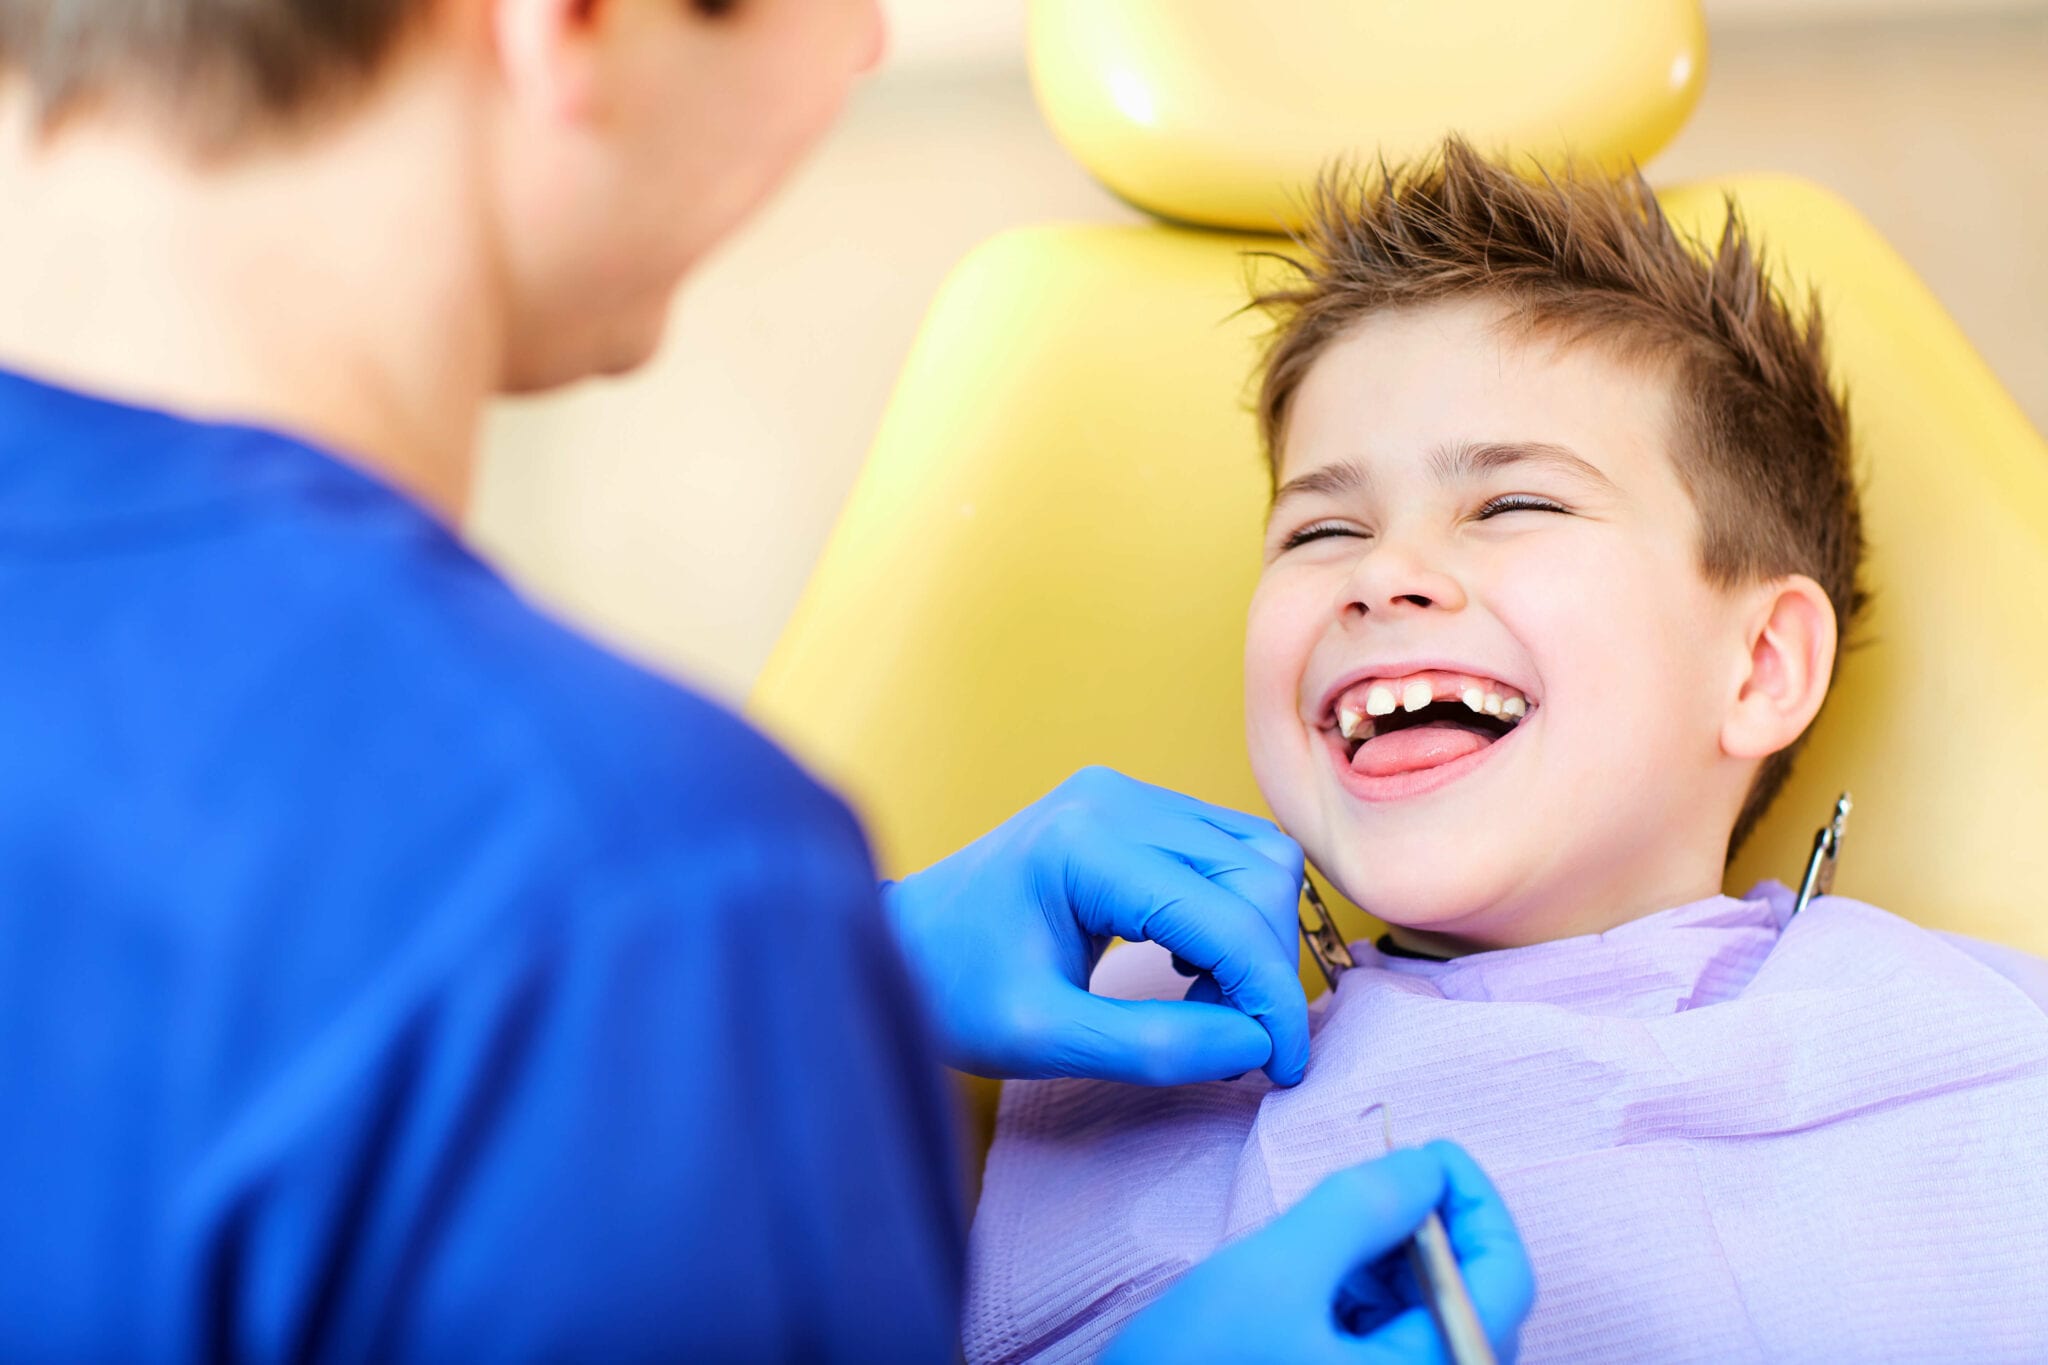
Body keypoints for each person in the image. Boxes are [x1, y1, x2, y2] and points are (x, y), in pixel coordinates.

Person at [0, 2, 1533, 1359]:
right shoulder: (642, 882)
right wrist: (681, 993)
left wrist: (840, 970)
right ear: (571, 19)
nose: (868, 40)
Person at [965, 139, 2048, 1362]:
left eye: (1509, 504)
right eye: (1321, 527)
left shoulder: (1996, 1043)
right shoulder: (1160, 1088)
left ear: (1756, 668)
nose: (1381, 574)